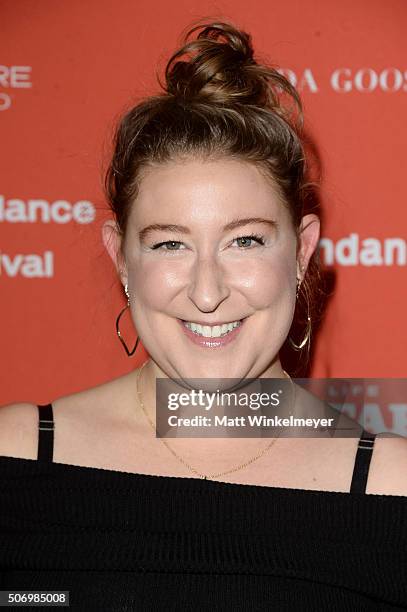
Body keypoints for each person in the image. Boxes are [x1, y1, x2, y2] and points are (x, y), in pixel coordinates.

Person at [1, 19, 407, 611]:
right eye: (170, 244)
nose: (208, 292)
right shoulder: (17, 457)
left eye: (245, 241)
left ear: (301, 252)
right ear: (121, 258)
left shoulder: (390, 490)